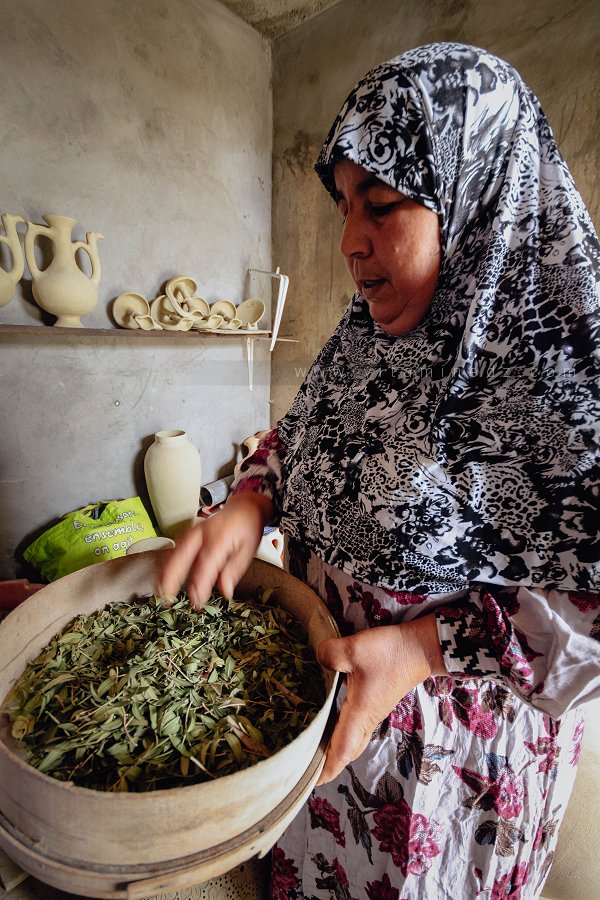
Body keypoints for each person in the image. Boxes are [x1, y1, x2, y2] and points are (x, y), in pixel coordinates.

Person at [158, 42, 600, 899]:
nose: (349, 244)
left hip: (448, 776)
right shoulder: (370, 338)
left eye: (384, 204)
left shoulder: (570, 374)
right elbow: (305, 435)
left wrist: (420, 647)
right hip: (328, 719)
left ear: (479, 197)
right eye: (344, 205)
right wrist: (252, 500)